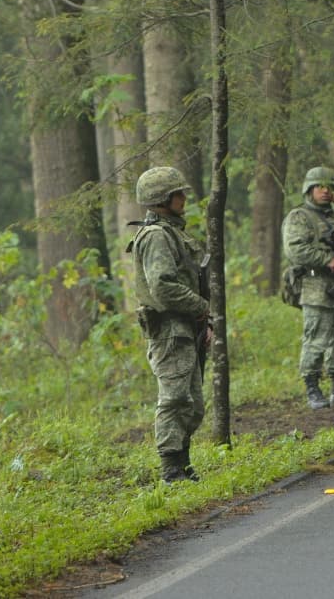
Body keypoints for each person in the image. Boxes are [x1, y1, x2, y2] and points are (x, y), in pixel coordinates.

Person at [130, 166, 210, 484]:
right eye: (178, 193)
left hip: (186, 326)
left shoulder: (174, 232)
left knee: (193, 404)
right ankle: (171, 469)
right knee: (174, 399)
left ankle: (183, 463)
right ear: (161, 199)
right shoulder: (156, 236)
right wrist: (200, 307)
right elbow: (162, 286)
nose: (183, 198)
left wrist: (205, 317)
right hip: (169, 329)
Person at [282, 166, 334, 410]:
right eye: (319, 186)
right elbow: (295, 249)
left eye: (329, 187)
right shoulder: (300, 217)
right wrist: (325, 259)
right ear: (308, 190)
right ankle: (313, 389)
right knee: (316, 340)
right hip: (316, 287)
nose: (324, 191)